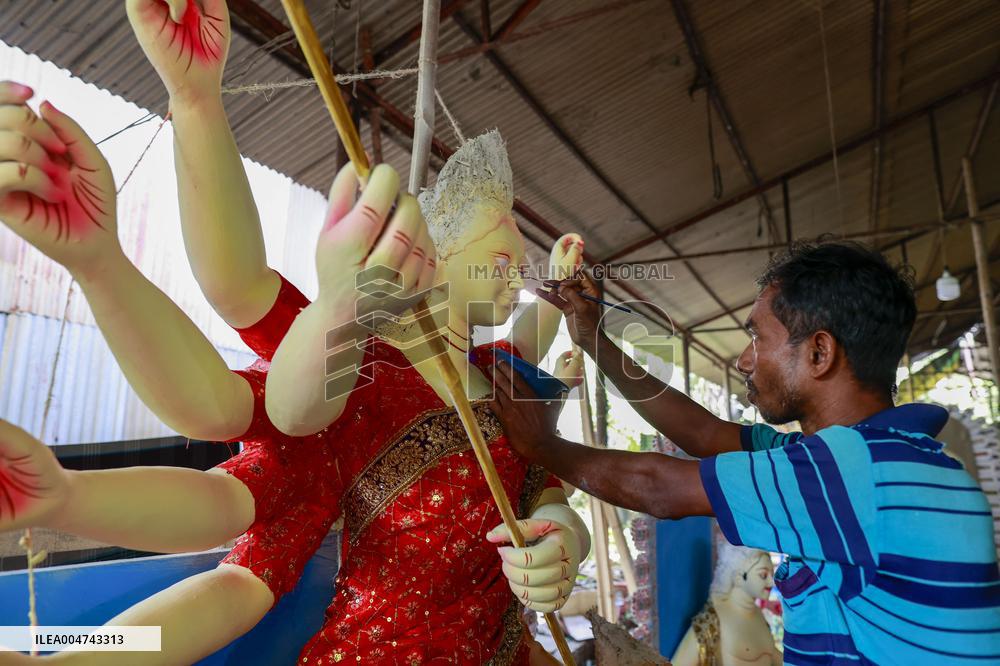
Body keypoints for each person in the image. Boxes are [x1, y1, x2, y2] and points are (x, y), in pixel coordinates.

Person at [0, 72, 586, 665]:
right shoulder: (359, 370)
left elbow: (547, 487)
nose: (516, 280)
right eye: (503, 262)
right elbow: (228, 538)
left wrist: (566, 538)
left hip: (507, 647)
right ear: (436, 256)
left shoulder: (504, 375)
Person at [489, 243, 1000, 664]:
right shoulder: (874, 457)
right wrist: (594, 340)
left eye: (758, 336)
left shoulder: (850, 471)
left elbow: (660, 488)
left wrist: (541, 445)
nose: (744, 359)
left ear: (819, 352)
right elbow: (705, 434)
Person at [672, 540, 780, 666]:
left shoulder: (758, 614)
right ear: (739, 577)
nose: (771, 583)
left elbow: (774, 657)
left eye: (771, 575)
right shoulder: (713, 620)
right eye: (763, 575)